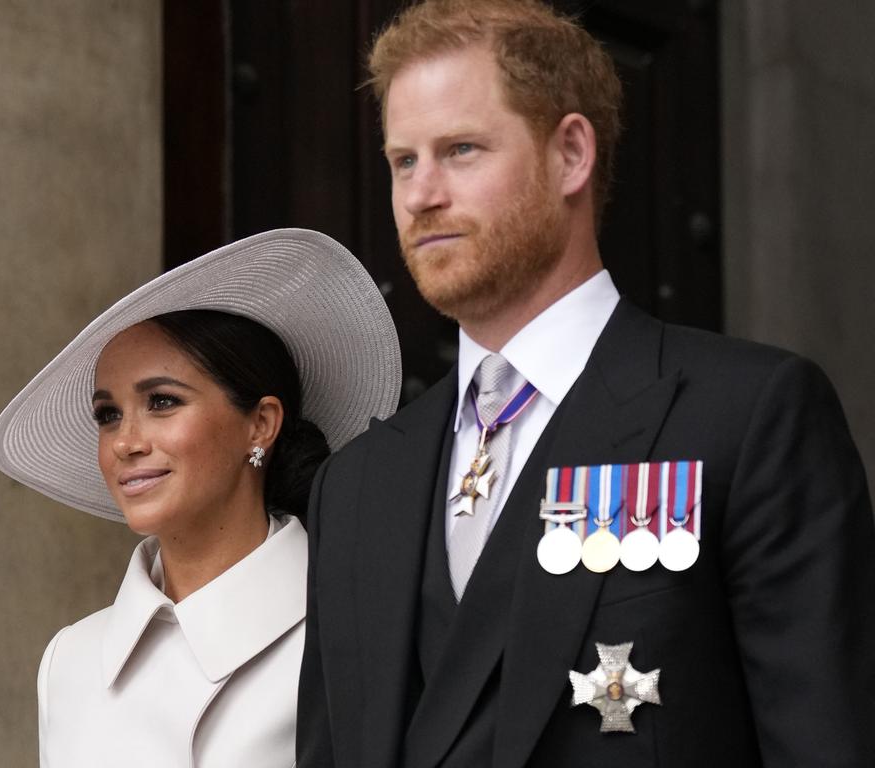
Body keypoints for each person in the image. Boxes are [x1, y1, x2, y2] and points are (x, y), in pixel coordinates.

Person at [296, 2, 875, 766]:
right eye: (403, 160)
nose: (419, 194)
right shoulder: (357, 484)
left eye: (460, 150)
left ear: (571, 154)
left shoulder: (748, 417)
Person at [0, 229, 401, 767]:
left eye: (162, 401)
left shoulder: (360, 635)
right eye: (107, 414)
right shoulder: (71, 661)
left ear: (261, 424)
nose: (126, 442)